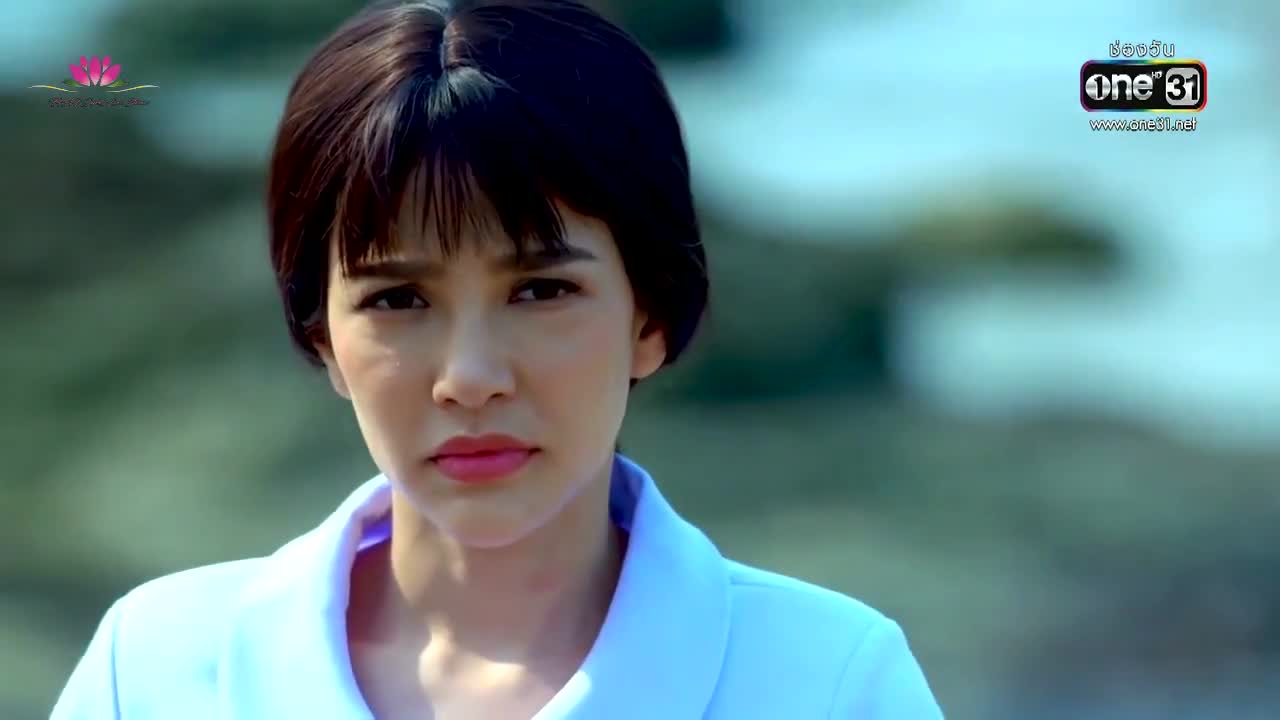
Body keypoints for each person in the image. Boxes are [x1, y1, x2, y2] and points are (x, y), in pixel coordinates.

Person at [51, 1, 943, 717]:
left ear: (651, 313)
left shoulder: (829, 682)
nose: (470, 378)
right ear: (322, 337)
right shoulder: (155, 670)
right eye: (398, 300)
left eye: (541, 290)